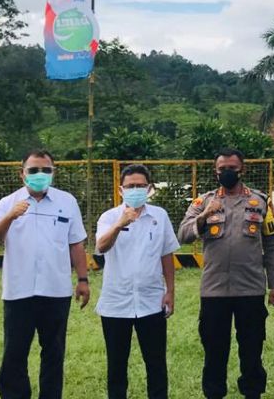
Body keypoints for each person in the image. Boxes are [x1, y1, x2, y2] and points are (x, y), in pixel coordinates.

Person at [180, 148, 274, 399]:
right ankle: (214, 394)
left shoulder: (260, 202)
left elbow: (272, 244)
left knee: (251, 350)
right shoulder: (203, 201)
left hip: (250, 289)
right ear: (216, 172)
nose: (227, 173)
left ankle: (252, 393)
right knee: (214, 351)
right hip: (214, 291)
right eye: (222, 169)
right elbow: (183, 235)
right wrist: (205, 215)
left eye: (232, 168)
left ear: (242, 170)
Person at [0, 150, 89, 399]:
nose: (39, 175)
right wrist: (10, 217)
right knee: (14, 354)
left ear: (54, 172)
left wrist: (83, 280)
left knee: (53, 354)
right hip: (18, 293)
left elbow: (76, 244)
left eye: (45, 170)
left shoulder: (67, 202)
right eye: (33, 170)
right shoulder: (7, 203)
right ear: (22, 174)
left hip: (56, 291)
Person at [96, 163, 180, 399]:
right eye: (130, 186)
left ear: (149, 189)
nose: (135, 190)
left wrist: (170, 292)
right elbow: (101, 247)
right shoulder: (109, 217)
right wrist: (119, 224)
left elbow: (166, 254)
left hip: (151, 301)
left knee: (156, 363)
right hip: (116, 303)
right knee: (116, 366)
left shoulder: (159, 216)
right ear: (121, 190)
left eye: (140, 186)